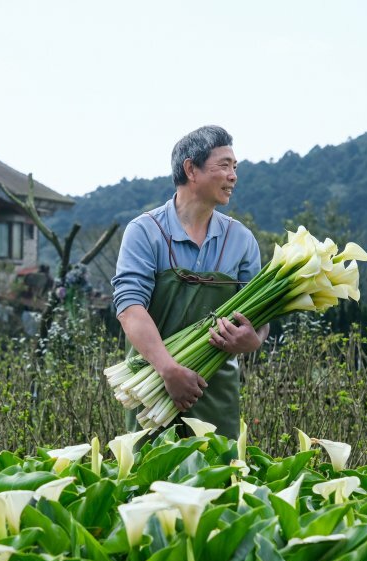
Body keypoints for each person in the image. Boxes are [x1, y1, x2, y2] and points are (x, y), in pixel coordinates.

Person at [111, 125, 269, 438]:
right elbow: (130, 308)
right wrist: (168, 369)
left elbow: (260, 315)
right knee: (148, 481)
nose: (233, 175)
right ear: (191, 169)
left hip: (214, 392)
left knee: (218, 480)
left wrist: (256, 339)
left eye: (235, 167)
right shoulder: (144, 232)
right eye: (223, 165)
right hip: (152, 389)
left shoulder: (242, 240)